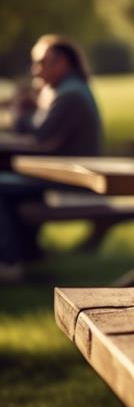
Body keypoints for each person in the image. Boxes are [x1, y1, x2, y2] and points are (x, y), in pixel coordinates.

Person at [0, 35, 103, 281]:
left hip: (71, 178)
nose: (35, 69)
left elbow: (43, 142)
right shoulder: (63, 90)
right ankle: (27, 252)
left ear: (62, 63)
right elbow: (40, 134)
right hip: (57, 173)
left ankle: (8, 262)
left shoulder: (70, 95)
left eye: (41, 62)